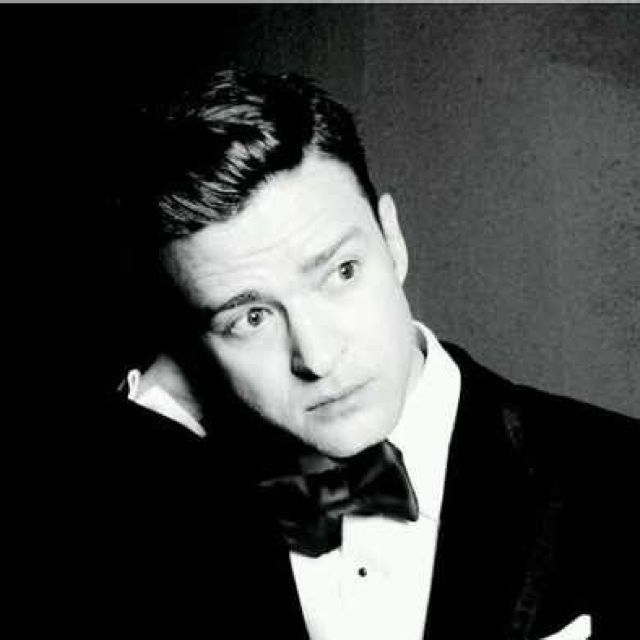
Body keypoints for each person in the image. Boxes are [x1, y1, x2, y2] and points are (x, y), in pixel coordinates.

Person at [85, 70, 637, 639]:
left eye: (341, 272)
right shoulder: (185, 511)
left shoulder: (619, 476)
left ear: (392, 239)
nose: (318, 358)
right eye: (251, 318)